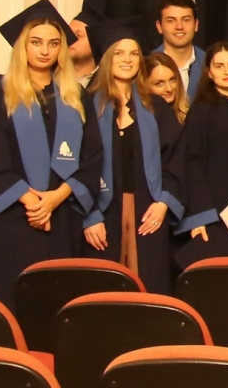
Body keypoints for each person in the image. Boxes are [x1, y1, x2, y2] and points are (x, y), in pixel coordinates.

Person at [0, 1, 102, 297]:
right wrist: (34, 202)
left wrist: (55, 198)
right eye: (36, 42)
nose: (45, 51)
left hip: (60, 217)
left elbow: (92, 158)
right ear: (22, 46)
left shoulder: (75, 97)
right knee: (9, 299)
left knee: (52, 300)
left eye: (53, 43)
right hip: (10, 220)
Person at [81, 25, 185, 292]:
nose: (127, 59)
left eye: (134, 53)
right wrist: (90, 215)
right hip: (102, 212)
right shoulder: (85, 105)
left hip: (148, 210)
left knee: (148, 286)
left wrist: (164, 202)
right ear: (107, 58)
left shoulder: (156, 107)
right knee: (103, 289)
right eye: (119, 53)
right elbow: (78, 165)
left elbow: (177, 158)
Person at [170, 42, 228, 268]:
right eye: (219, 66)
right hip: (215, 210)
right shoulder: (202, 110)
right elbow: (192, 163)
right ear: (209, 72)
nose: (227, 71)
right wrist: (200, 216)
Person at [152, 0, 203, 103]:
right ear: (159, 26)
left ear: (196, 24)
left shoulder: (210, 64)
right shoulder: (145, 66)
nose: (179, 26)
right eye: (171, 21)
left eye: (186, 20)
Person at [141, 52, 189, 121]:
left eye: (172, 80)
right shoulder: (142, 119)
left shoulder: (189, 116)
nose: (169, 89)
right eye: (159, 83)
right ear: (143, 85)